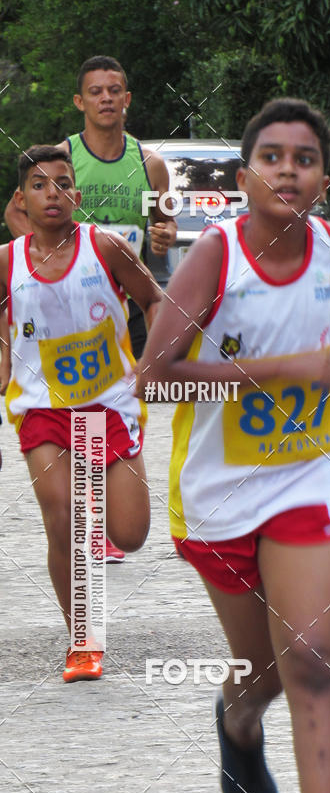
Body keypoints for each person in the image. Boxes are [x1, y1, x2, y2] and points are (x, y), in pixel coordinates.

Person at [139, 98, 330, 793]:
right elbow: (154, 377)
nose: (288, 170)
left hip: (311, 475)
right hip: (221, 493)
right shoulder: (216, 254)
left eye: (304, 159)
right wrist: (282, 370)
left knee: (309, 654)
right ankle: (239, 719)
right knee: (264, 668)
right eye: (271, 157)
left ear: (323, 178)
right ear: (244, 178)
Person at [3, 55, 175, 561]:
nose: (106, 99)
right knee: (67, 409)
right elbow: (17, 212)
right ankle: (86, 517)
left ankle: (111, 480)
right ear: (80, 102)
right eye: (96, 91)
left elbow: (162, 221)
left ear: (127, 99)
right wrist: (51, 266)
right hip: (61, 306)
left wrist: (163, 235)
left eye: (114, 90)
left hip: (120, 301)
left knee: (110, 401)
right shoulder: (62, 155)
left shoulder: (150, 163)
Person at [0, 145, 162, 681]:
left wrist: (153, 363)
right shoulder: (7, 261)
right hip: (42, 408)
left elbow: (154, 300)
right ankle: (82, 640)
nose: (53, 194)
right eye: (39, 185)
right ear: (21, 199)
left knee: (130, 533)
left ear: (78, 194)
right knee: (64, 517)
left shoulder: (106, 247)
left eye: (63, 184)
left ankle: (100, 499)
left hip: (107, 406)